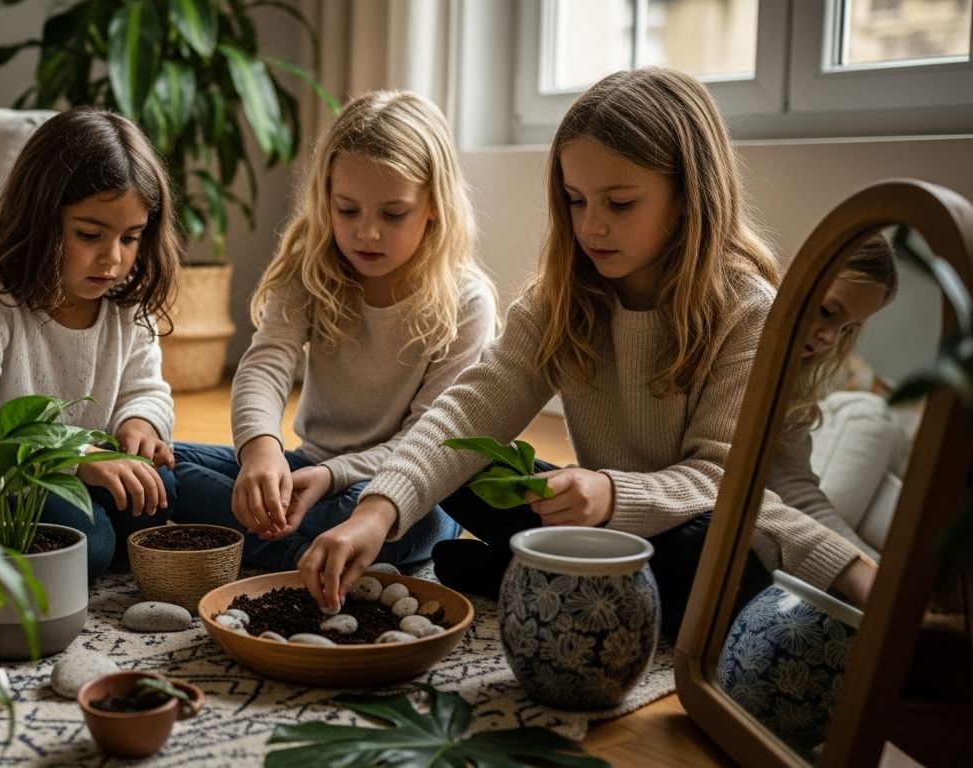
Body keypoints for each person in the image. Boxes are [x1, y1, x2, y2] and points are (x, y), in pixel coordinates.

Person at [296, 68, 877, 638]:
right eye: (575, 201)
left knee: (716, 560)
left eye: (619, 203)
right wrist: (374, 513)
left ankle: (520, 574)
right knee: (465, 460)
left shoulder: (750, 308)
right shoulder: (564, 294)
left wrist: (613, 494)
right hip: (594, 514)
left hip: (684, 524)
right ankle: (567, 583)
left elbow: (719, 476)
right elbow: (469, 409)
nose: (592, 226)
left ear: (688, 195)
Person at [171, 91, 498, 572]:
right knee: (163, 467)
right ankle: (325, 554)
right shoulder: (314, 267)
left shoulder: (466, 301)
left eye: (392, 214)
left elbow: (428, 440)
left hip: (403, 483)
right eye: (348, 210)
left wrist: (333, 476)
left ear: (434, 204)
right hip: (308, 470)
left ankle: (299, 546)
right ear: (326, 198)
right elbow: (266, 364)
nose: (367, 233)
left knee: (402, 518)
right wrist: (261, 451)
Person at [0, 108, 182, 582]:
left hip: (90, 471)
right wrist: (69, 458)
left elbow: (147, 389)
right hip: (8, 482)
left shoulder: (126, 305)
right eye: (89, 234)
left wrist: (140, 423)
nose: (114, 258)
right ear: (41, 220)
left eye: (131, 237)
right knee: (95, 544)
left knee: (158, 488)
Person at [770, 234, 900, 560]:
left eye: (847, 329)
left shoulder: (793, 388)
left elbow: (798, 492)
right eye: (827, 311)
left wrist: (875, 571)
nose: (830, 338)